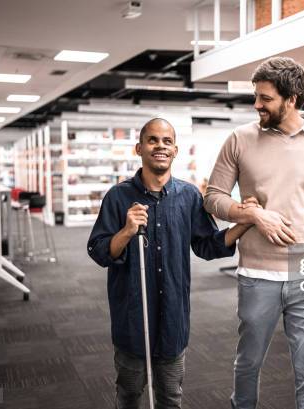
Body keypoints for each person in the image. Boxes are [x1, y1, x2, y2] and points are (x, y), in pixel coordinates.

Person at [204, 56, 304, 409]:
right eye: (256, 96)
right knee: (248, 365)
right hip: (258, 275)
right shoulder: (239, 140)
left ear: (291, 99)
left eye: (265, 98)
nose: (256, 104)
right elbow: (213, 198)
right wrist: (253, 214)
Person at [87, 118, 257, 409]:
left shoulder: (189, 196)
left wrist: (244, 221)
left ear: (175, 150)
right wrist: (127, 231)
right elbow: (99, 251)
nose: (160, 147)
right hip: (132, 319)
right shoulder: (119, 197)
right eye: (152, 140)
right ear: (139, 148)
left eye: (166, 142)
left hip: (173, 319)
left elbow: (206, 245)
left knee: (170, 398)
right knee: (129, 396)